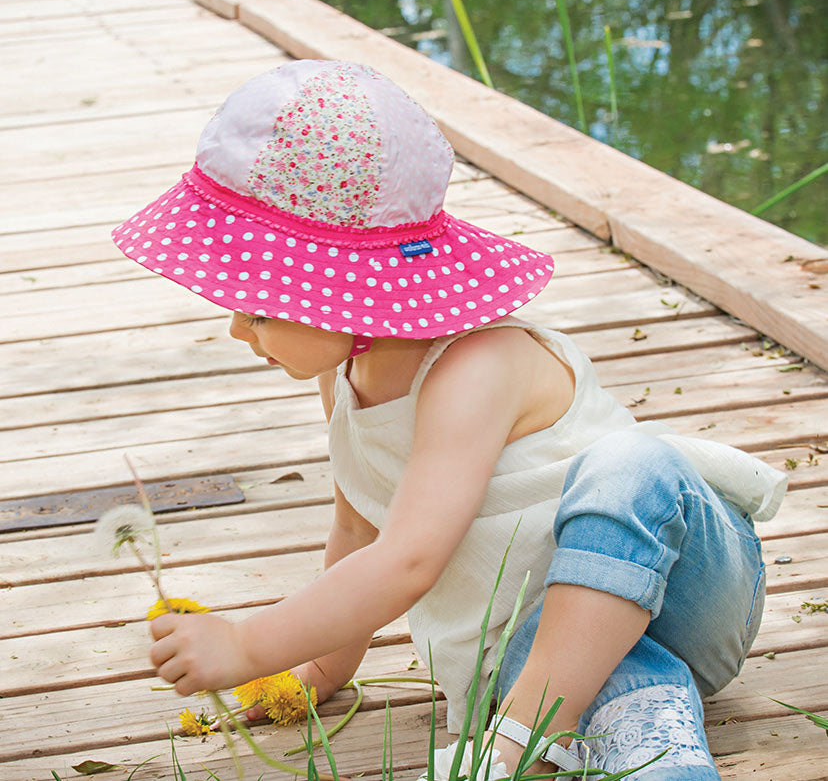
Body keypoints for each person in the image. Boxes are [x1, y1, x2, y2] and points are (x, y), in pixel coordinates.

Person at [113, 60, 785, 779]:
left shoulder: (477, 364)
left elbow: (409, 558)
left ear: (345, 292)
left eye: (259, 308)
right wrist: (316, 670)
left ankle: (514, 747)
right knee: (634, 715)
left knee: (631, 462)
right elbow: (360, 531)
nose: (238, 330)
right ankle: (595, 736)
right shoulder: (345, 381)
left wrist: (252, 642)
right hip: (544, 661)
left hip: (689, 585)